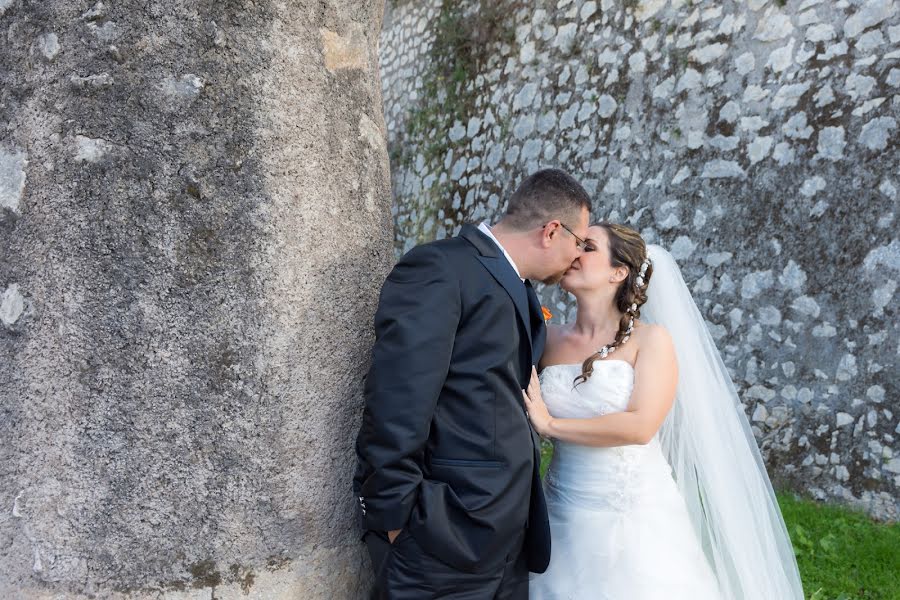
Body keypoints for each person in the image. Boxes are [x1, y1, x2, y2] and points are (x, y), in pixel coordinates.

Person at [524, 223, 805, 599]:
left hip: (633, 513)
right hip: (562, 506)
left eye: (587, 247)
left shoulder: (651, 340)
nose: (574, 252)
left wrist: (550, 424)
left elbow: (640, 425)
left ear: (618, 272)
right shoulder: (548, 339)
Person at [353, 169, 591, 599]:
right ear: (552, 231)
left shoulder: (516, 284)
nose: (578, 257)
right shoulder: (442, 268)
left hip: (501, 539)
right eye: (579, 242)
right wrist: (396, 521)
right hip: (442, 539)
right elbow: (397, 399)